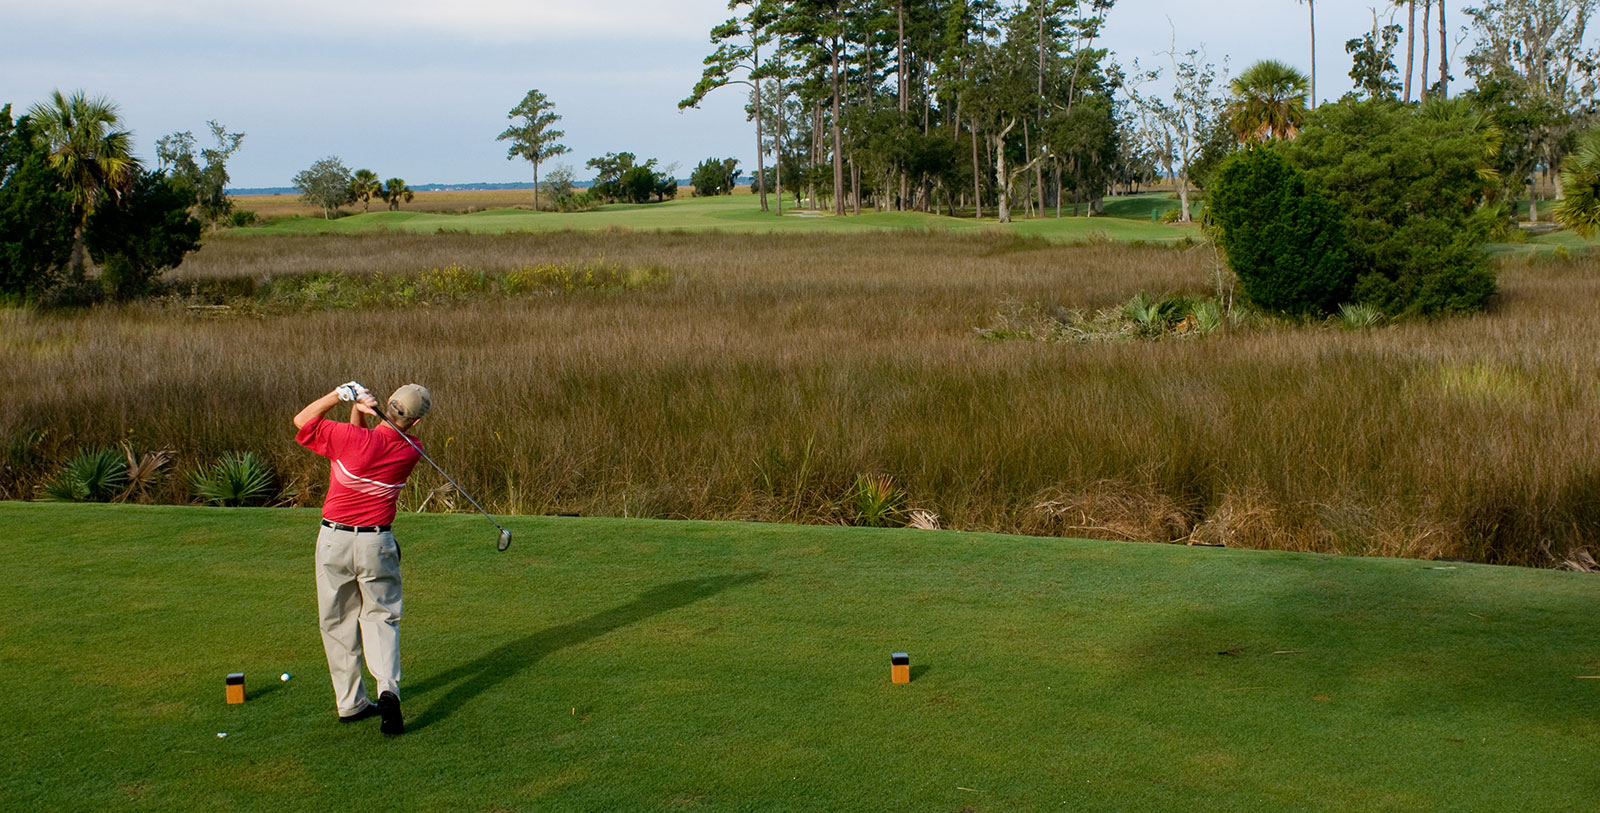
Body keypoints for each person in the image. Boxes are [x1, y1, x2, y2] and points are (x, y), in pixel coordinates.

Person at [292, 381, 432, 736]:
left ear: (388, 403)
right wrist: (360, 410)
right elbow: (364, 446)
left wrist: (342, 396)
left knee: (337, 621)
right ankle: (388, 689)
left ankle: (351, 702)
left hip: (334, 541)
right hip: (377, 543)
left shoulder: (349, 441)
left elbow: (303, 420)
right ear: (415, 423)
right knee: (381, 618)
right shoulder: (412, 449)